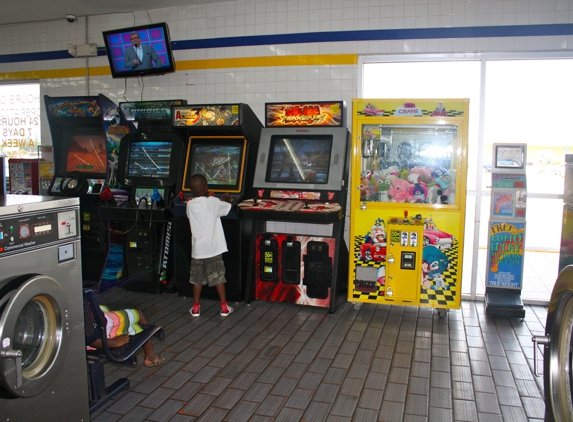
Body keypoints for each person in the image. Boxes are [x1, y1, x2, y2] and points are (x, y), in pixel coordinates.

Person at [186, 173, 234, 317]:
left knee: (197, 280)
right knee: (219, 278)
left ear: (191, 190)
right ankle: (224, 308)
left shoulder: (189, 204)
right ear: (206, 187)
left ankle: (195, 308)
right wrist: (227, 199)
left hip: (198, 250)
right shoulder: (213, 202)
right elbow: (226, 208)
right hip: (213, 249)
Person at [88, 305, 164, 367]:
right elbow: (89, 338)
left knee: (103, 307)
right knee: (138, 314)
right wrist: (115, 343)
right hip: (104, 327)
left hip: (90, 320)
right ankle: (150, 356)